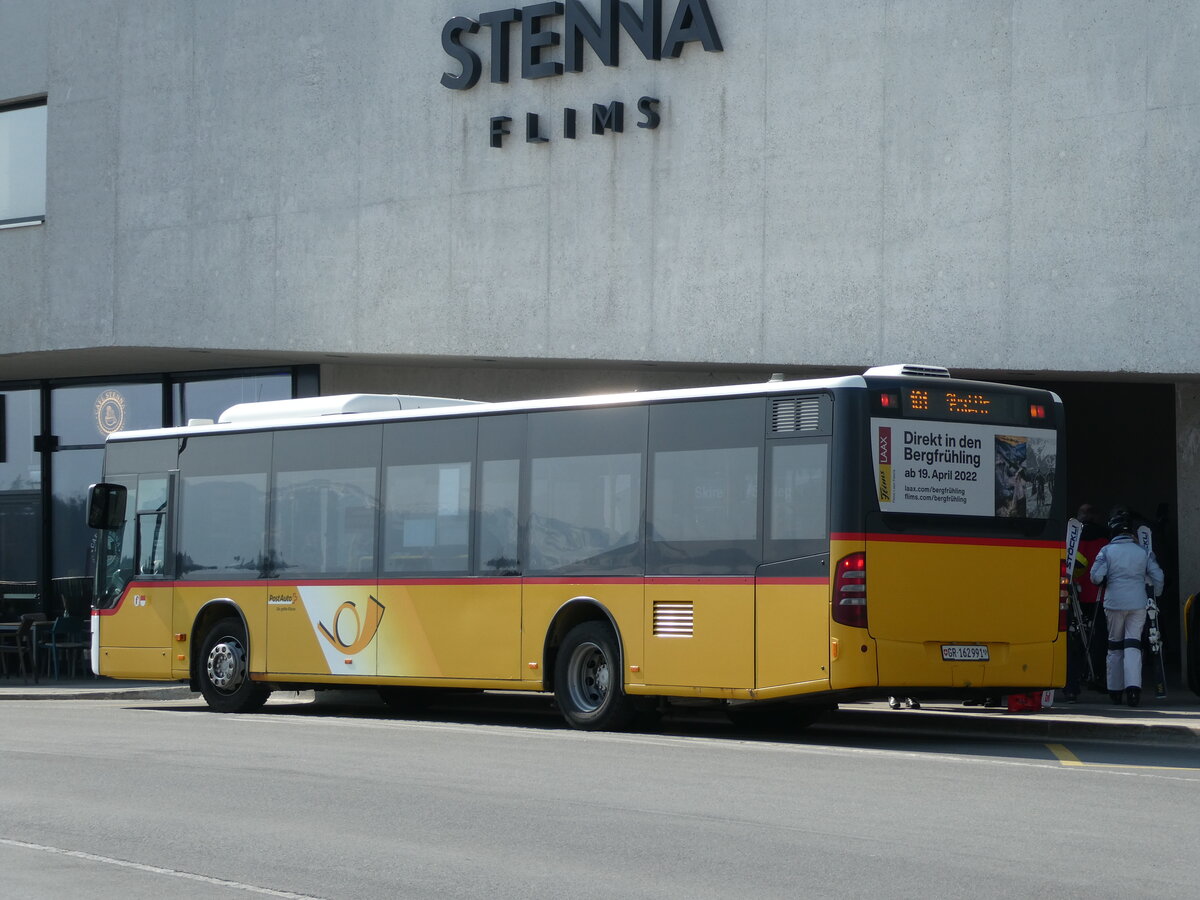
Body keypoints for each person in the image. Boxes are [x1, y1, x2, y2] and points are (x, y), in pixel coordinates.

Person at [1089, 507, 1164, 706]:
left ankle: (1115, 690)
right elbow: (1158, 576)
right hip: (1138, 603)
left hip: (1114, 603)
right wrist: (1156, 593)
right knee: (1133, 645)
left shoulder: (1106, 551)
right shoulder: (1143, 551)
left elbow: (1096, 576)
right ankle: (1133, 690)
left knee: (1114, 646)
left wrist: (1105, 579)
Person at [1063, 503, 1109, 700]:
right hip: (1100, 593)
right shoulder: (1105, 536)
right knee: (1100, 636)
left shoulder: (1073, 536)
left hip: (1078, 591)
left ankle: (1078, 675)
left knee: (1076, 638)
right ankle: (1098, 673)